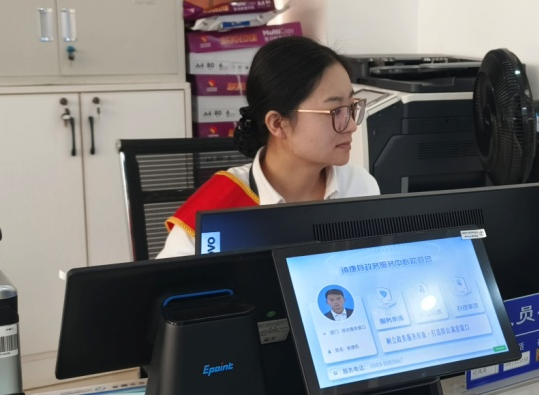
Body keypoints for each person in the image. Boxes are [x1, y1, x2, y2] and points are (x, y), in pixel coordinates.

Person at [157, 36, 380, 258]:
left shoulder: (359, 187)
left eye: (351, 107)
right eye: (336, 111)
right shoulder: (214, 213)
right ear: (278, 124)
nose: (352, 125)